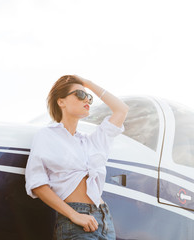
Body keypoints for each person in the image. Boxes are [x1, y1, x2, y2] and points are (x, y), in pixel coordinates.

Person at [25, 75, 129, 239]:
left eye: (89, 97)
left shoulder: (92, 141)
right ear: (61, 102)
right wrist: (73, 215)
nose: (86, 99)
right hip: (74, 220)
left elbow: (121, 110)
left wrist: (88, 83)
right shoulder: (46, 135)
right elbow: (37, 183)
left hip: (104, 219)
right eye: (80, 95)